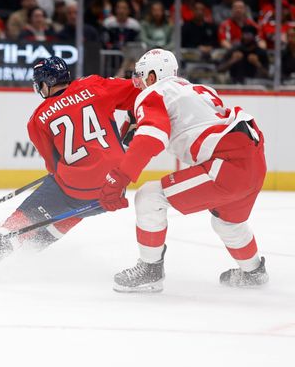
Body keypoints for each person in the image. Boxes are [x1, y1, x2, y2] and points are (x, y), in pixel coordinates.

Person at [98, 49, 268, 291]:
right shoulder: (200, 90)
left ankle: (150, 270)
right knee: (227, 224)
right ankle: (253, 273)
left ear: (154, 76)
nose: (138, 82)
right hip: (253, 161)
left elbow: (151, 138)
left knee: (149, 197)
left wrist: (119, 178)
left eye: (141, 75)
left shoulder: (154, 93)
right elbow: (189, 124)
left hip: (226, 167)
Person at [0, 57, 140, 279]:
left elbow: (53, 165)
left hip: (76, 188)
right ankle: (30, 253)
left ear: (46, 83)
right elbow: (138, 92)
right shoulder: (94, 85)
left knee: (32, 214)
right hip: (113, 189)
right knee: (80, 207)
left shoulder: (38, 119)